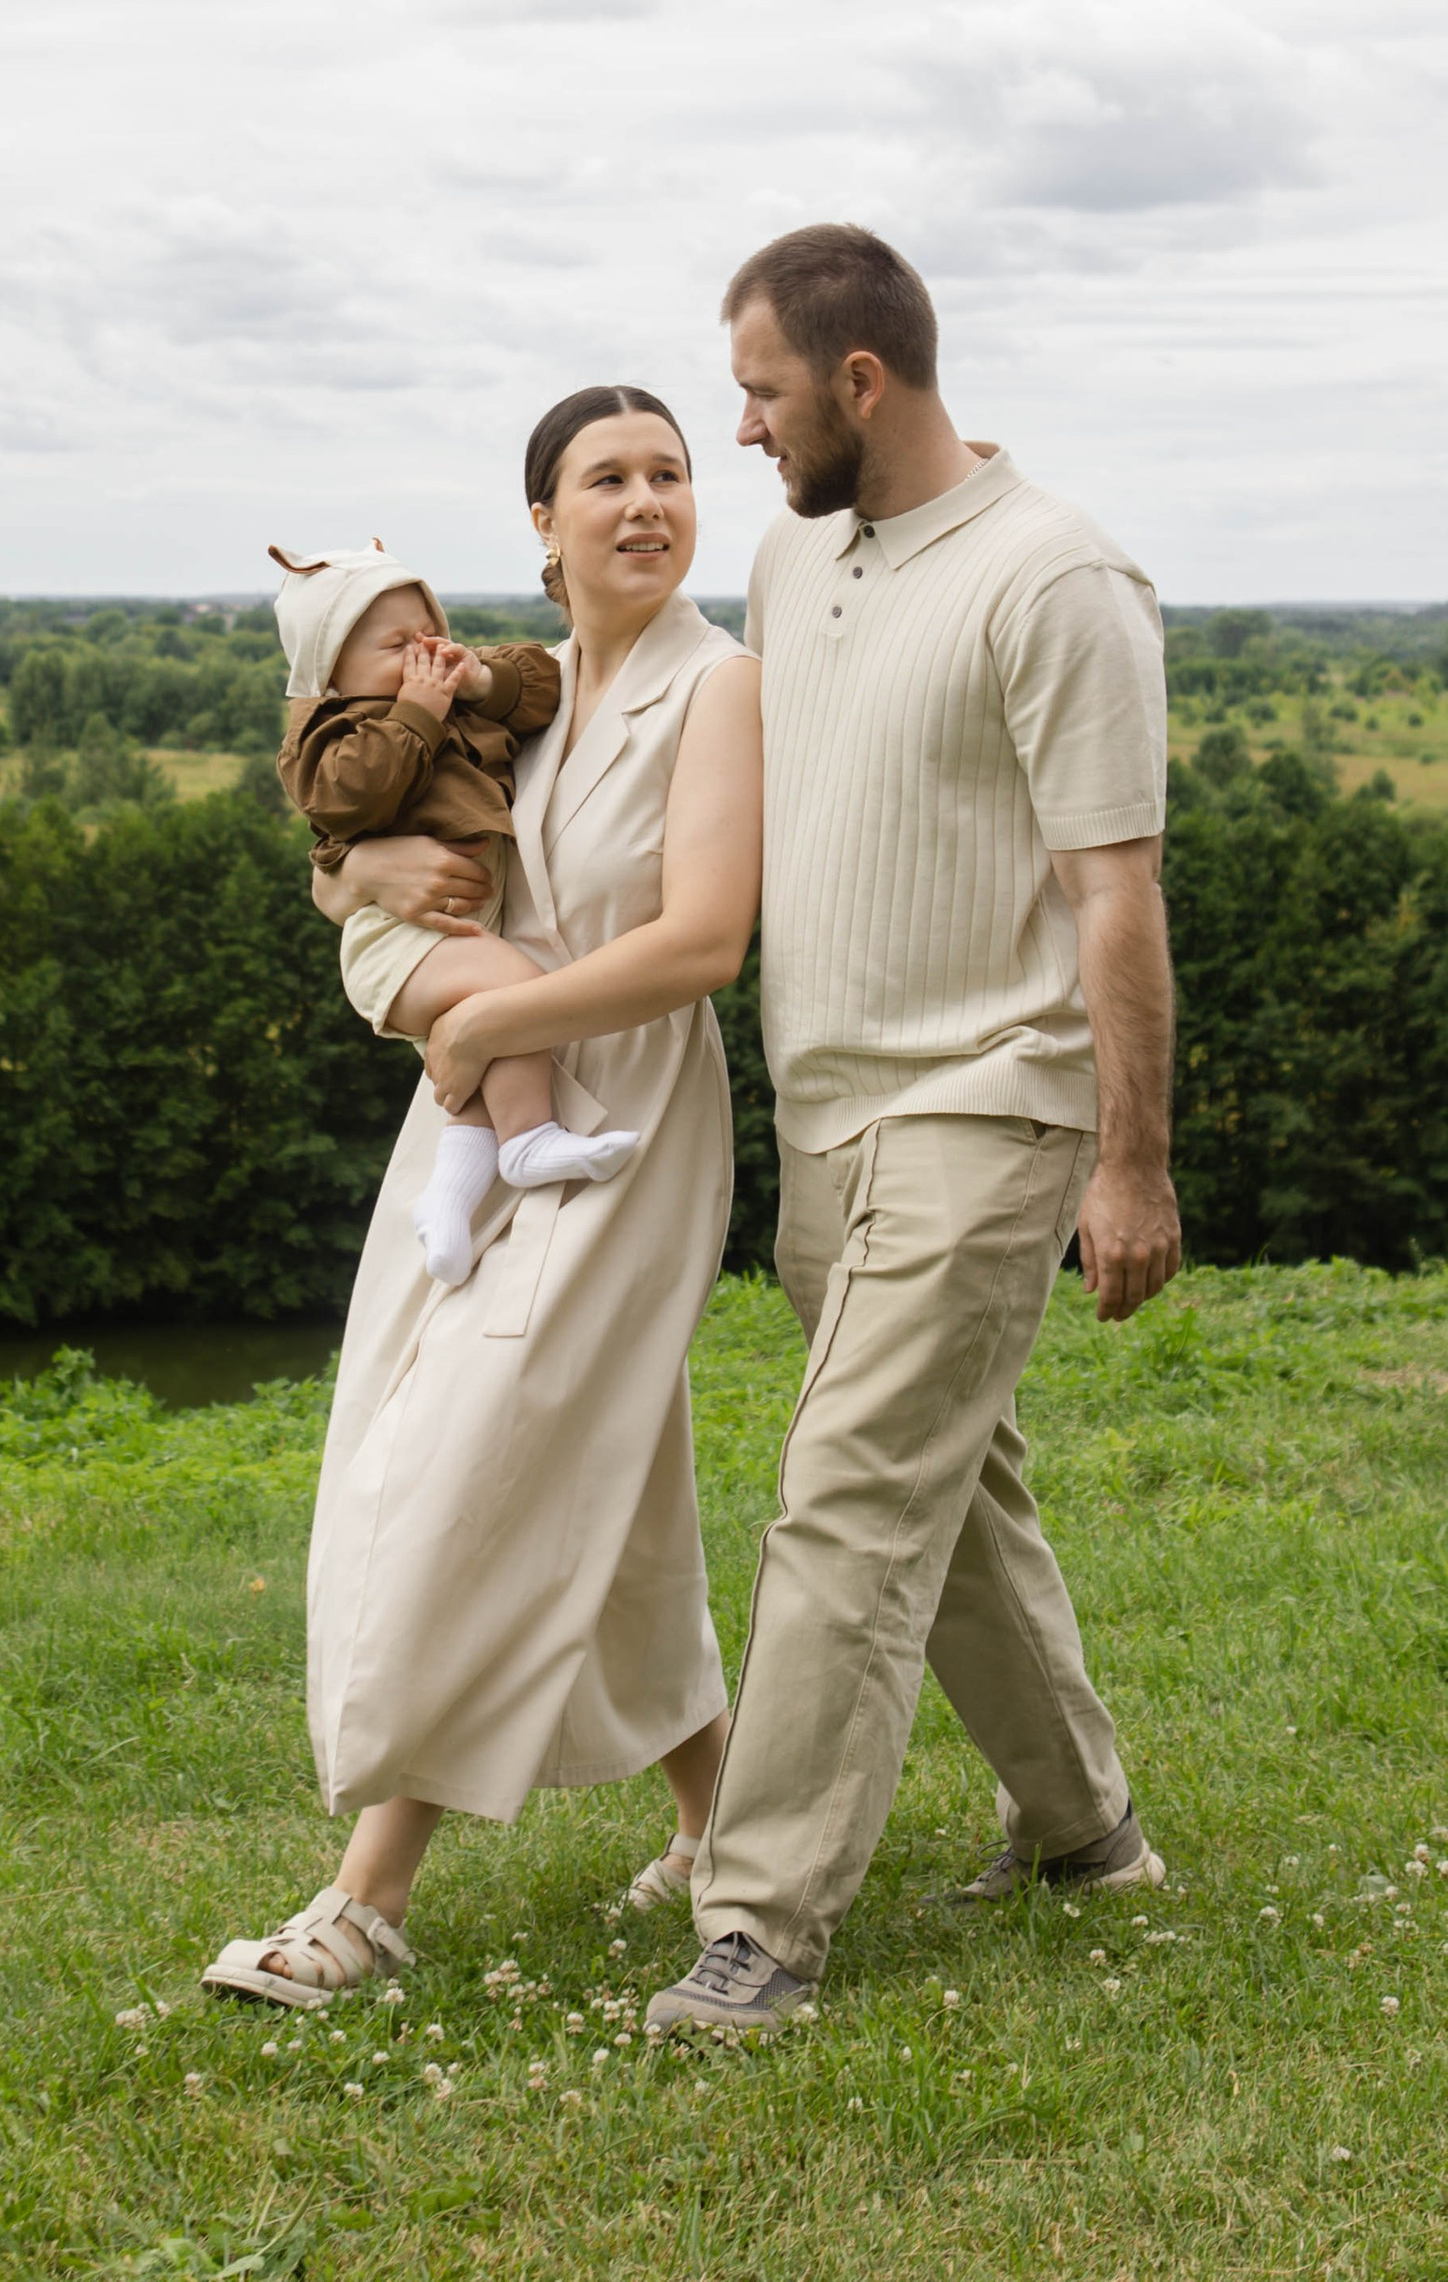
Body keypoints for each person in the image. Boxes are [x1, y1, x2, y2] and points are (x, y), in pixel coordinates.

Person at [645, 224, 1181, 2044]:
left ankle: (763, 1925)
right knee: (952, 1503)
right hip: (828, 1114)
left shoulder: (1057, 578)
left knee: (852, 1502)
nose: (742, 433)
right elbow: (707, 736)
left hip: (989, 1106)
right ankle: (1086, 1829)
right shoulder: (806, 560)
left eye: (763, 393)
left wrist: (1130, 1162)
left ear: (860, 382)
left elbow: (1115, 897)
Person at [201, 387, 762, 2007]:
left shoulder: (718, 687)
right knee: (604, 1465)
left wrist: (492, 1020)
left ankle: (366, 1906)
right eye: (607, 479)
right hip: (480, 1106)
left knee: (483, 1452)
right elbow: (384, 827)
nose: (646, 502)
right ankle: (723, 1819)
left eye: (669, 473)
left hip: (623, 1111)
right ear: (542, 524)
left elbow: (707, 941)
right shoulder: (529, 695)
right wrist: (349, 878)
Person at [268, 540, 640, 1286]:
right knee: (517, 989)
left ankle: (448, 1206)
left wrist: (479, 680)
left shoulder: (454, 697)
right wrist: (417, 714)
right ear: (332, 669)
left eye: (431, 632)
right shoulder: (332, 736)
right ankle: (530, 1139)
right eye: (395, 645)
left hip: (453, 934)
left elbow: (542, 686)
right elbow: (353, 798)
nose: (424, 653)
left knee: (481, 1069)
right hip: (396, 942)